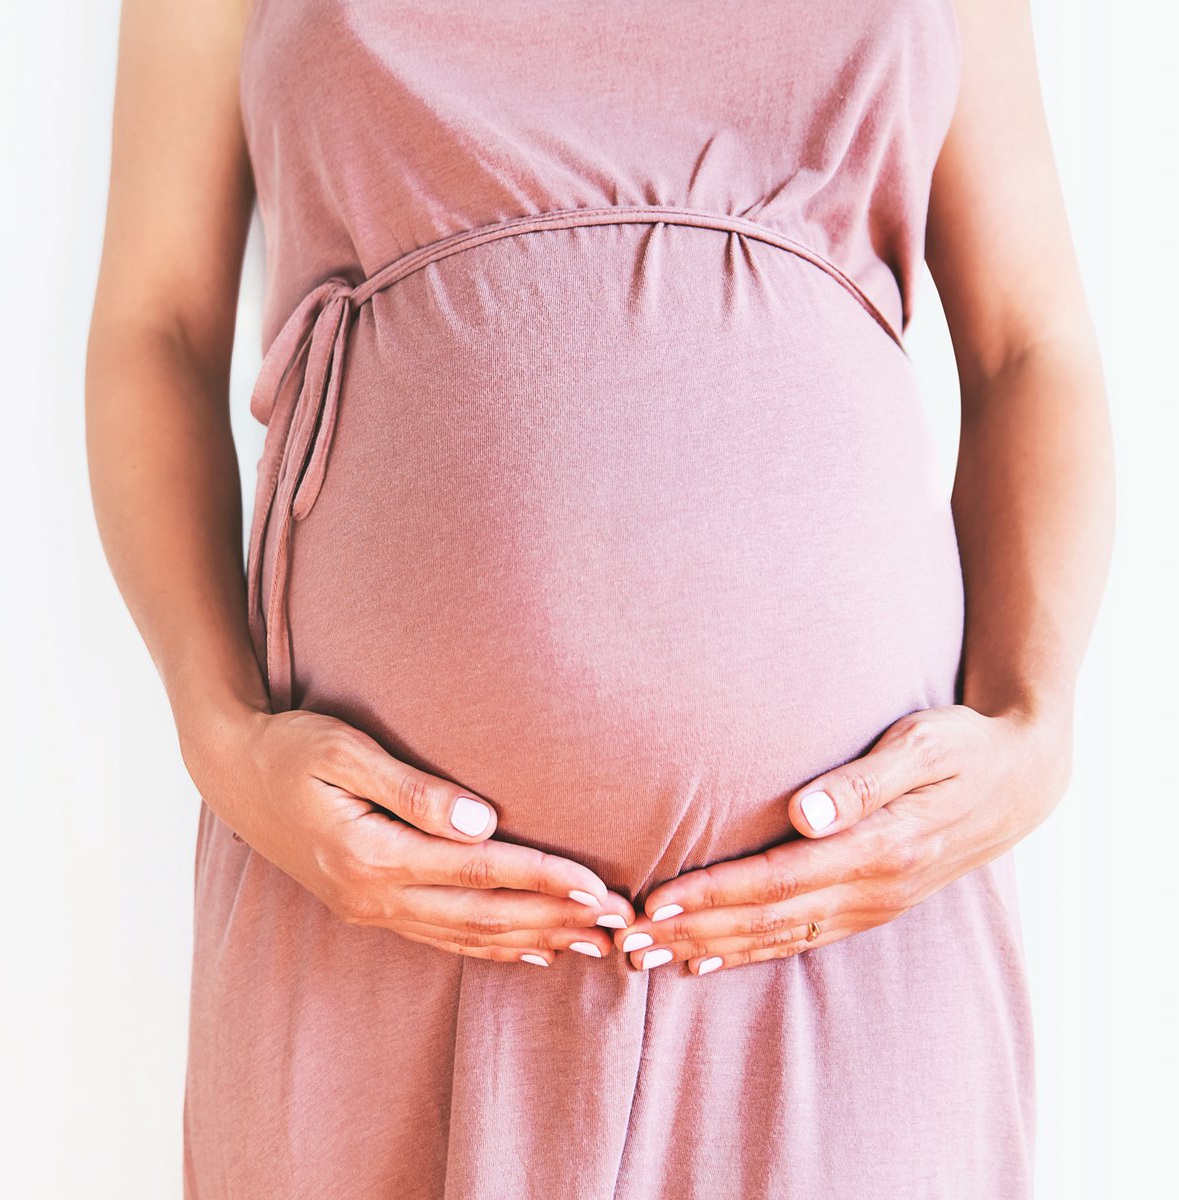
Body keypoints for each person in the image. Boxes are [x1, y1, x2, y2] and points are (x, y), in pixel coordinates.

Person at [84, 0, 1113, 1195]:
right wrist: (223, 740)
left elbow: (1029, 346)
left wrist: (1032, 735)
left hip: (853, 903)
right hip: (377, 894)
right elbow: (154, 325)